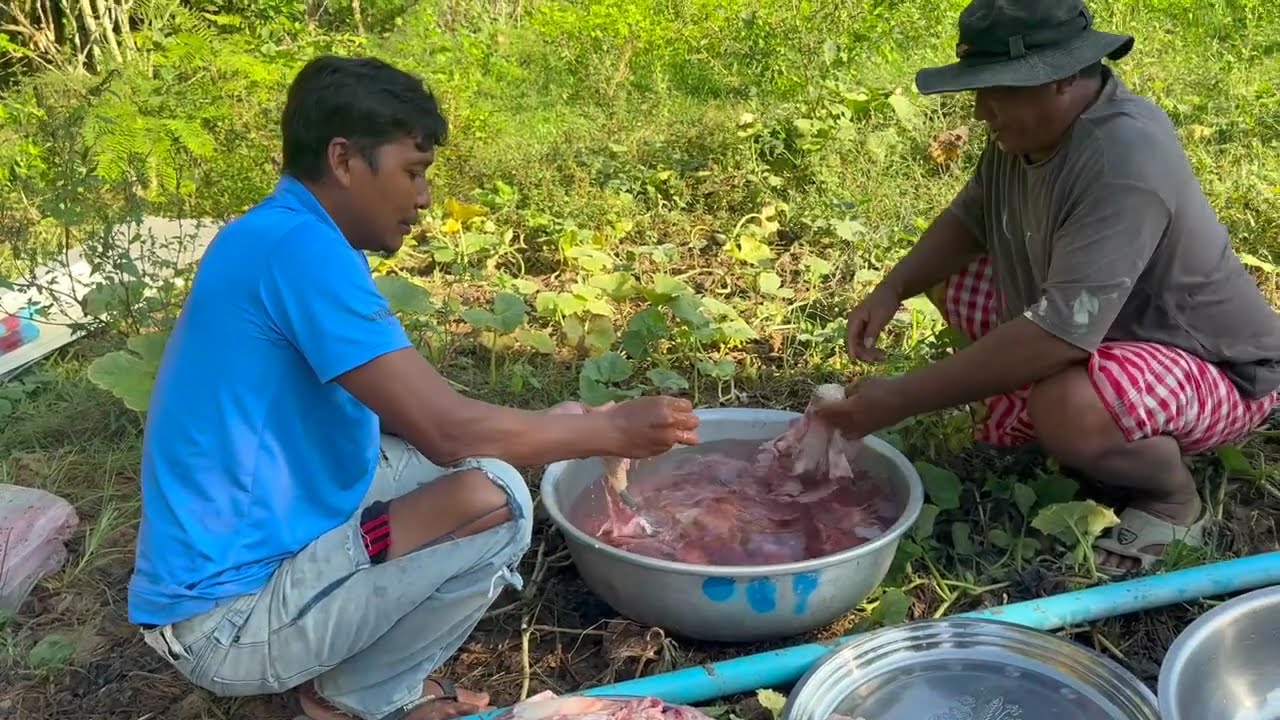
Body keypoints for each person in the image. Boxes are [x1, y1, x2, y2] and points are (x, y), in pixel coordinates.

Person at [127, 55, 700, 720]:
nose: (424, 198)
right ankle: (365, 698)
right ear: (344, 160)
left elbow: (415, 415)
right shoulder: (299, 251)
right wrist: (609, 430)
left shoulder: (279, 235)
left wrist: (557, 420)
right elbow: (445, 427)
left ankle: (350, 666)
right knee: (497, 497)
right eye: (413, 172)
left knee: (467, 463)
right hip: (224, 622)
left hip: (254, 547)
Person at [819, 0, 1280, 576]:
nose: (981, 109)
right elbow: (973, 219)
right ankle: (1077, 416)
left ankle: (1170, 496)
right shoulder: (1028, 130)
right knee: (952, 280)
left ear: (1062, 76)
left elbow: (1059, 335)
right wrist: (893, 288)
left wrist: (899, 397)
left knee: (1068, 403)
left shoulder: (1123, 158)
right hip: (1106, 330)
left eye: (997, 90)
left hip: (1219, 367)